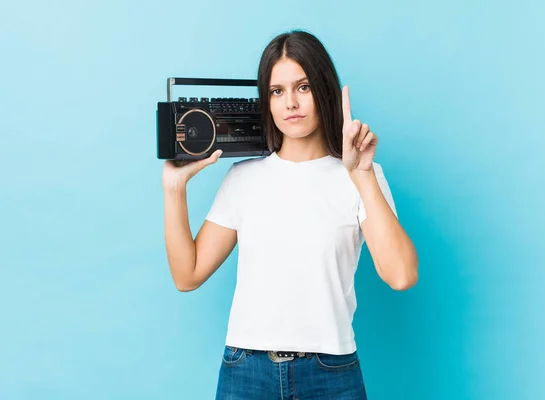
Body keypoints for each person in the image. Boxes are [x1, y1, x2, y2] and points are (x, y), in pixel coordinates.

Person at [162, 30, 418, 400]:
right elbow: (187, 275)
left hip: (330, 372)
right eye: (277, 91)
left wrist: (361, 174)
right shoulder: (243, 179)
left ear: (324, 91)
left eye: (303, 87)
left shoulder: (361, 174)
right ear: (266, 102)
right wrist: (174, 190)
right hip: (246, 370)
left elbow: (401, 275)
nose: (291, 103)